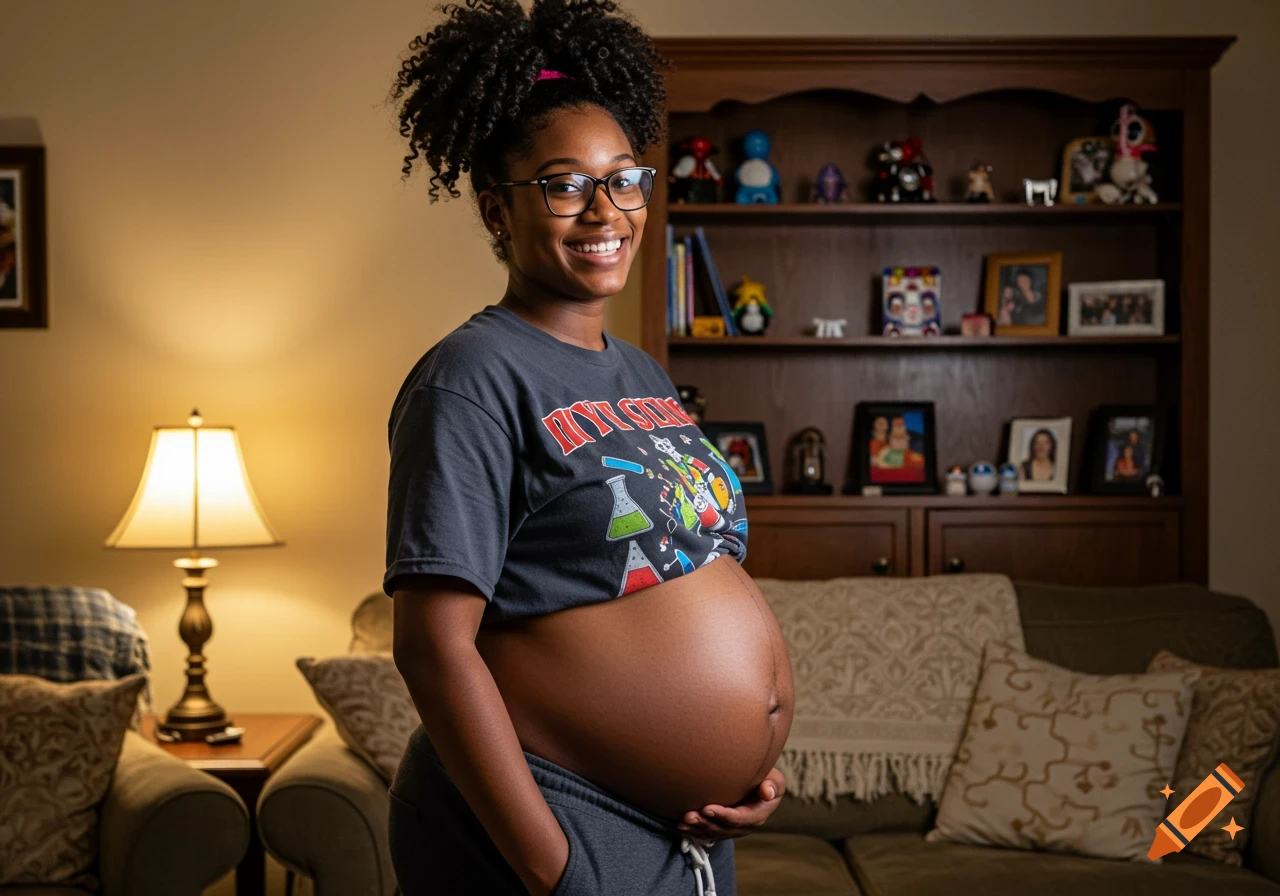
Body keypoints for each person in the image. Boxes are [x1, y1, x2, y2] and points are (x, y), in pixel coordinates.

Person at [382, 3, 793, 895]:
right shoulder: (470, 377)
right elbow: (431, 643)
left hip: (684, 832)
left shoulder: (640, 370)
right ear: (498, 208)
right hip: (562, 827)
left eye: (626, 179)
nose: (605, 210)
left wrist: (745, 761)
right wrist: (552, 864)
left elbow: (684, 568)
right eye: (565, 184)